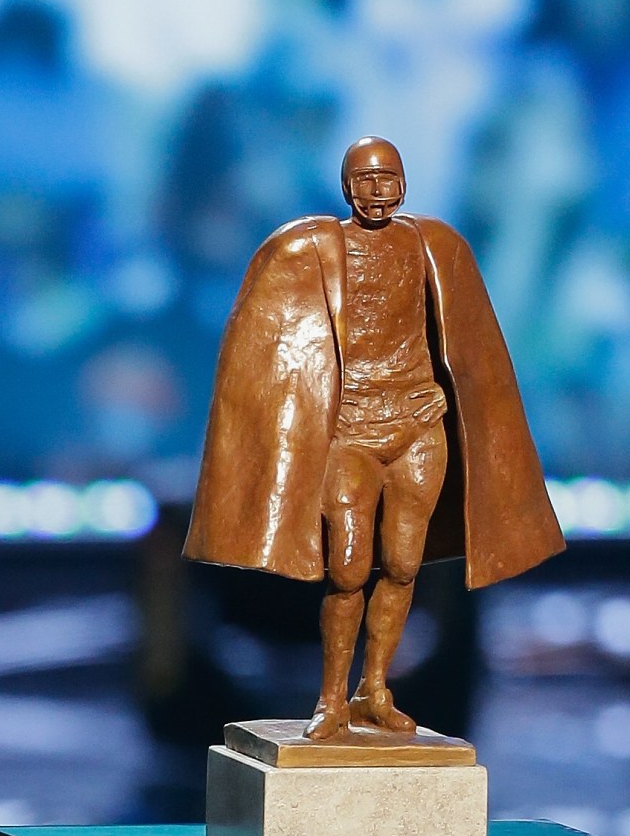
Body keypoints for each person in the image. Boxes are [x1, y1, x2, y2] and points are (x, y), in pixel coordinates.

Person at [185, 134, 561, 739]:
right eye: (365, 179)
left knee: (404, 566)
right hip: (352, 430)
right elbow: (266, 346)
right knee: (348, 569)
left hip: (418, 423)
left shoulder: (435, 247)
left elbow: (477, 352)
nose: (378, 191)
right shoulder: (313, 249)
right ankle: (331, 698)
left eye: (388, 179)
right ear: (346, 187)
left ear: (404, 186)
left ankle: (374, 688)